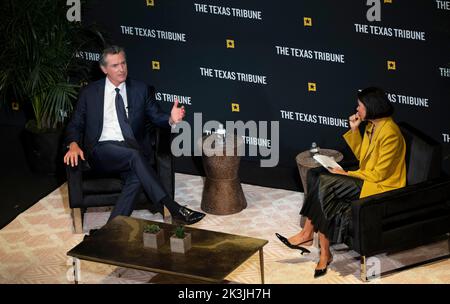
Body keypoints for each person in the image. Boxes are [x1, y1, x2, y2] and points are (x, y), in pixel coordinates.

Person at [64, 45, 205, 226]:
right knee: (135, 157)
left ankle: (111, 229)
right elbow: (75, 124)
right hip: (102, 150)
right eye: (115, 65)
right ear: (104, 69)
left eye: (123, 63)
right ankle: (173, 207)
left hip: (132, 149)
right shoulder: (89, 93)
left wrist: (170, 118)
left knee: (136, 175)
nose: (121, 69)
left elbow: (156, 116)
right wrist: (73, 144)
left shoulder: (140, 89)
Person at [276, 87, 406, 278]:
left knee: (325, 184)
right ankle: (322, 250)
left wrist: (346, 173)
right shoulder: (372, 125)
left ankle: (310, 238)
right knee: (322, 182)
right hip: (368, 178)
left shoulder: (390, 133)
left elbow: (379, 174)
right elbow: (364, 158)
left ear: (371, 107)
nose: (357, 108)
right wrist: (355, 130)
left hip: (382, 186)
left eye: (360, 105)